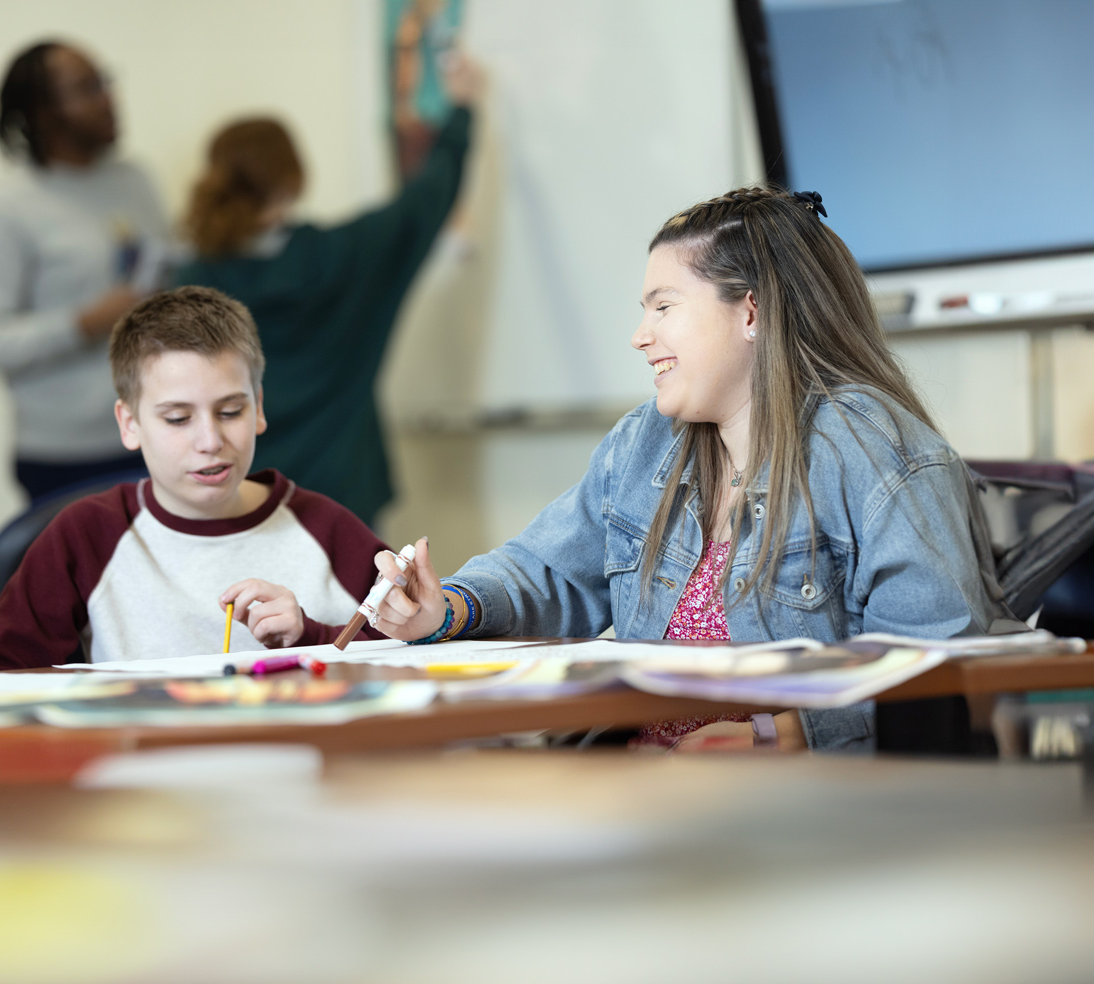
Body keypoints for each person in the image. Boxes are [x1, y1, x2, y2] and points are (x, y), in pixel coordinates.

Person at [365, 187, 1015, 751]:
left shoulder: (874, 447)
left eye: (663, 306)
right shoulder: (644, 442)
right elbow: (549, 571)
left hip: (807, 820)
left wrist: (783, 737)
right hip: (650, 796)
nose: (640, 334)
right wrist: (444, 608)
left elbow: (936, 663)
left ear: (751, 312)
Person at [0, 287, 389, 672]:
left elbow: (417, 652)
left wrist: (311, 637)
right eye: (178, 418)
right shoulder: (86, 536)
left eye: (230, 411)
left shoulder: (327, 529)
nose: (210, 440)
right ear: (129, 424)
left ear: (258, 407)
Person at [168, 54, 482, 526]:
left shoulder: (189, 287)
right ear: (292, 180)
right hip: (345, 498)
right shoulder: (348, 257)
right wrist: (462, 110)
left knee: (254, 603)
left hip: (242, 498)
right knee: (360, 604)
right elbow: (426, 199)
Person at [0, 40, 172, 502]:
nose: (108, 97)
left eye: (106, 81)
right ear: (41, 112)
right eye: (87, 87)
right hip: (67, 458)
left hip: (159, 438)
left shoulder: (135, 181)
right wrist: (85, 323)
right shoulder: (4, 208)